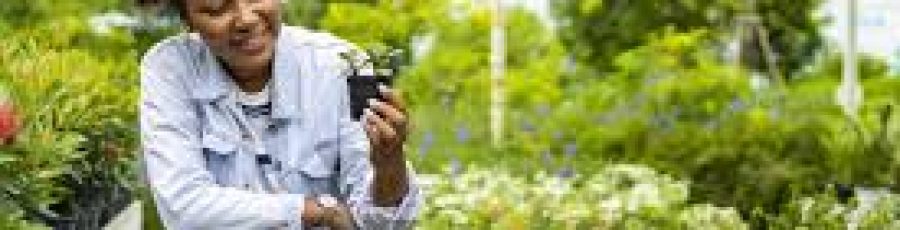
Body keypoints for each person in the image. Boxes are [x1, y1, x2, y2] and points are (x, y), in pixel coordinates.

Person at [139, 0, 421, 229]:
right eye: (217, 9)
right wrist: (316, 211)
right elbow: (184, 206)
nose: (246, 19)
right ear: (188, 20)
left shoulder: (340, 66)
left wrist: (389, 162)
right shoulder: (170, 69)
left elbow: (379, 223)